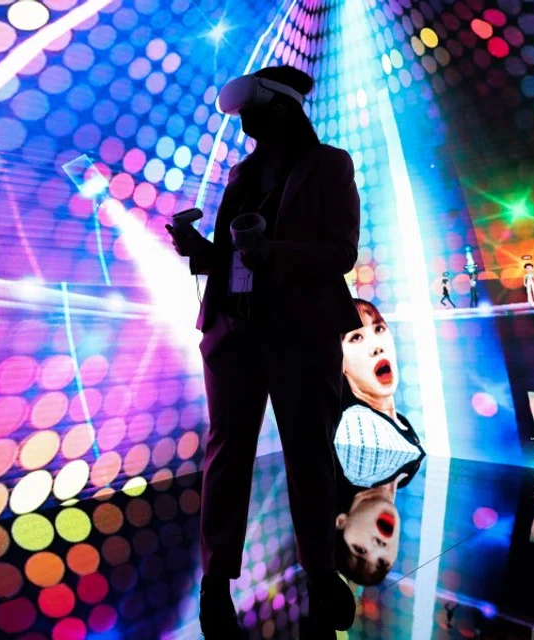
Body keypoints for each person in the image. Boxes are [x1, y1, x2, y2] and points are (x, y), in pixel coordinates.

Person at [166, 65, 361, 638]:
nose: (245, 123)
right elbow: (225, 261)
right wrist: (198, 248)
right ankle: (215, 580)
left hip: (298, 332)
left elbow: (341, 252)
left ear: (283, 109)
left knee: (308, 453)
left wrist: (271, 251)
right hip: (234, 330)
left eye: (253, 111)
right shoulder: (241, 174)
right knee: (227, 455)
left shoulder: (329, 165)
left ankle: (321, 572)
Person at [333, 300, 425, 585]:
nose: (378, 546)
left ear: (341, 523)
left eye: (378, 329)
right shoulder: (356, 428)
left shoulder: (397, 430)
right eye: (383, 560)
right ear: (340, 364)